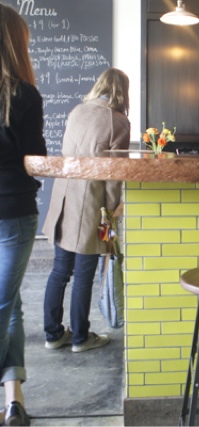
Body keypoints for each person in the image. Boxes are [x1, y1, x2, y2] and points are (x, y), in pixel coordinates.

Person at [42, 68, 130, 354]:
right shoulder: (118, 121)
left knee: (59, 271)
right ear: (122, 91)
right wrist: (113, 211)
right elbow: (113, 174)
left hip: (63, 198)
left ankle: (53, 334)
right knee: (83, 274)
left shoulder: (77, 111)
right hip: (91, 205)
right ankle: (81, 338)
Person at [0, 4, 48, 426]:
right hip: (13, 212)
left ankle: (13, 399)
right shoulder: (23, 95)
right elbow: (34, 159)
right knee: (3, 305)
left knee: (11, 302)